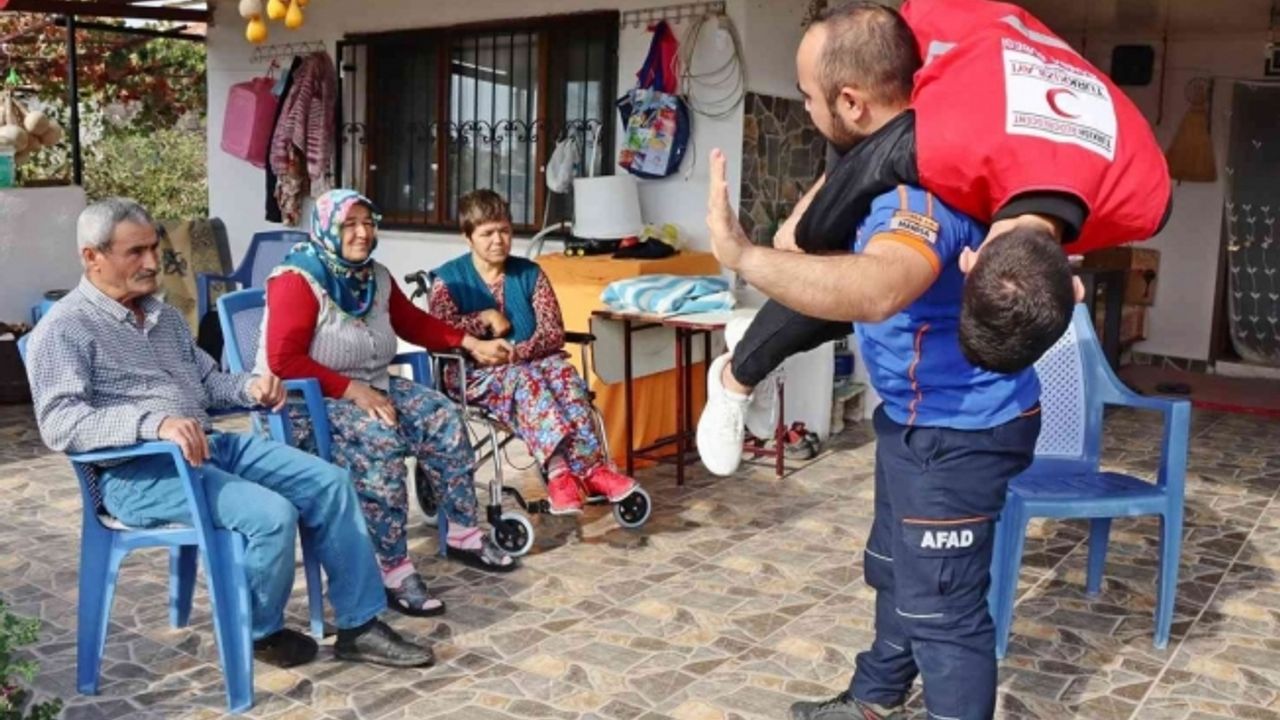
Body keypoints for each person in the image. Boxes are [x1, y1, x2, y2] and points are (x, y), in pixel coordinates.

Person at [702, 6, 1055, 719]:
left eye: (807, 96)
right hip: (917, 418)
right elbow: (809, 240)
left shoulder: (914, 193)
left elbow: (875, 288)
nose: (805, 109)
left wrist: (741, 256)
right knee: (895, 570)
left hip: (959, 432)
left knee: (943, 613)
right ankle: (873, 701)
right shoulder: (889, 161)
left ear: (852, 102)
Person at [696, 0, 1172, 476]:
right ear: (1074, 288)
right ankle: (737, 377)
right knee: (840, 255)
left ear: (1074, 285)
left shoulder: (1146, 194)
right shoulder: (941, 142)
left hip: (996, 61)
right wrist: (794, 233)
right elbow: (865, 162)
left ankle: (748, 357)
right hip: (942, 34)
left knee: (885, 284)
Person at [25, 197, 432, 669]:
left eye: (154, 248)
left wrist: (250, 388)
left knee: (330, 482)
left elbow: (207, 382)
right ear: (92, 257)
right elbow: (60, 422)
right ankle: (259, 632)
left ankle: (359, 625)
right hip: (140, 472)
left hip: (211, 446)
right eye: (135, 252)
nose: (153, 262)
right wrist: (153, 424)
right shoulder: (66, 328)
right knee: (271, 515)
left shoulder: (162, 317)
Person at [260, 189, 519, 617]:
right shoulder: (297, 279)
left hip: (371, 383)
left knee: (442, 415)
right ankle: (392, 567)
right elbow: (283, 361)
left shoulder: (373, 276)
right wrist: (352, 391)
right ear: (326, 229)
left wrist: (469, 342)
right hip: (307, 403)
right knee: (380, 440)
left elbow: (411, 322)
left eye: (368, 222)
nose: (362, 233)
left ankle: (463, 533)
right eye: (349, 224)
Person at [427, 189, 640, 516]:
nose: (498, 240)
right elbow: (440, 333)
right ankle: (559, 472)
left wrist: (518, 352)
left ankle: (592, 470)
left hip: (530, 363)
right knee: (526, 380)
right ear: (467, 237)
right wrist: (484, 319)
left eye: (504, 230)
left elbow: (553, 331)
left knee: (564, 375)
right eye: (487, 233)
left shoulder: (530, 274)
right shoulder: (449, 280)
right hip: (471, 373)